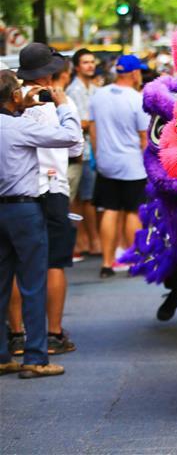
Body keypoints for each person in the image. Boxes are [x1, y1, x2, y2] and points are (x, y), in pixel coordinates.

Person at [0, 69, 82, 378]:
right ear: (14, 97)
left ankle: (2, 354)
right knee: (33, 282)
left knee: (2, 284)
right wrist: (62, 106)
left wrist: (21, 105)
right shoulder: (20, 127)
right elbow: (71, 139)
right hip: (23, 210)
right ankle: (35, 356)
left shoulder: (14, 120)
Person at [88, 54, 151, 278]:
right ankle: (133, 261)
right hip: (132, 164)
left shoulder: (98, 95)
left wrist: (98, 155)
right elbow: (144, 137)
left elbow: (93, 130)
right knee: (132, 211)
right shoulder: (136, 99)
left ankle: (107, 263)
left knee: (110, 210)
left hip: (106, 163)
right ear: (134, 73)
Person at [66, 49, 101, 262]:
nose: (90, 65)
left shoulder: (96, 88)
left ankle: (88, 239)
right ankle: (86, 240)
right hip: (82, 151)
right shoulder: (73, 90)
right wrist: (91, 124)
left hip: (92, 150)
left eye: (92, 62)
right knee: (84, 198)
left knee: (89, 197)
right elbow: (80, 124)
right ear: (77, 67)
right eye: (85, 62)